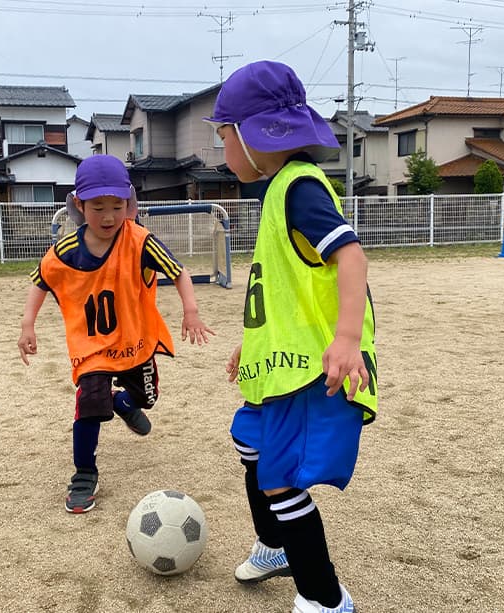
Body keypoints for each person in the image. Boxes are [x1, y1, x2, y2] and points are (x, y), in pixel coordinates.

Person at [205, 61, 378, 613]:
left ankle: (325, 599)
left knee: (280, 482)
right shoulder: (277, 189)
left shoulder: (299, 187)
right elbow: (284, 287)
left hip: (311, 369)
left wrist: (347, 337)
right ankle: (276, 546)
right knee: (248, 441)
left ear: (254, 134)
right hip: (277, 362)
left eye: (222, 134)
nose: (222, 148)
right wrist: (249, 340)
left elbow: (350, 255)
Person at [17, 154, 214, 514]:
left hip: (135, 343)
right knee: (89, 405)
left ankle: (122, 402)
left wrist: (191, 311)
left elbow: (179, 272)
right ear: (79, 205)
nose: (108, 217)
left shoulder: (140, 241)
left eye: (117, 206)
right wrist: (27, 324)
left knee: (147, 400)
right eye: (97, 207)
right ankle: (84, 474)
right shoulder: (66, 250)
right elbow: (40, 279)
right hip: (91, 348)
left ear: (129, 204)